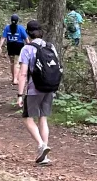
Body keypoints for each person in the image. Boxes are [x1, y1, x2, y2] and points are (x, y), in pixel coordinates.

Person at [15, 20, 62, 165]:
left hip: (34, 88)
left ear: (28, 32)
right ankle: (44, 154)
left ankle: (42, 145)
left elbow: (23, 74)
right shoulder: (50, 46)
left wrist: (20, 94)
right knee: (43, 118)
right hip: (49, 87)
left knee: (27, 118)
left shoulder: (27, 49)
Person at [0, 13, 29, 80]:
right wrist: (29, 46)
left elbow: (3, 38)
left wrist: (0, 46)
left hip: (10, 46)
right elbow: (26, 38)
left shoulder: (7, 28)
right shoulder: (21, 28)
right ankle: (15, 79)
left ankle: (13, 78)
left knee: (12, 63)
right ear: (17, 20)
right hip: (19, 46)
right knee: (17, 63)